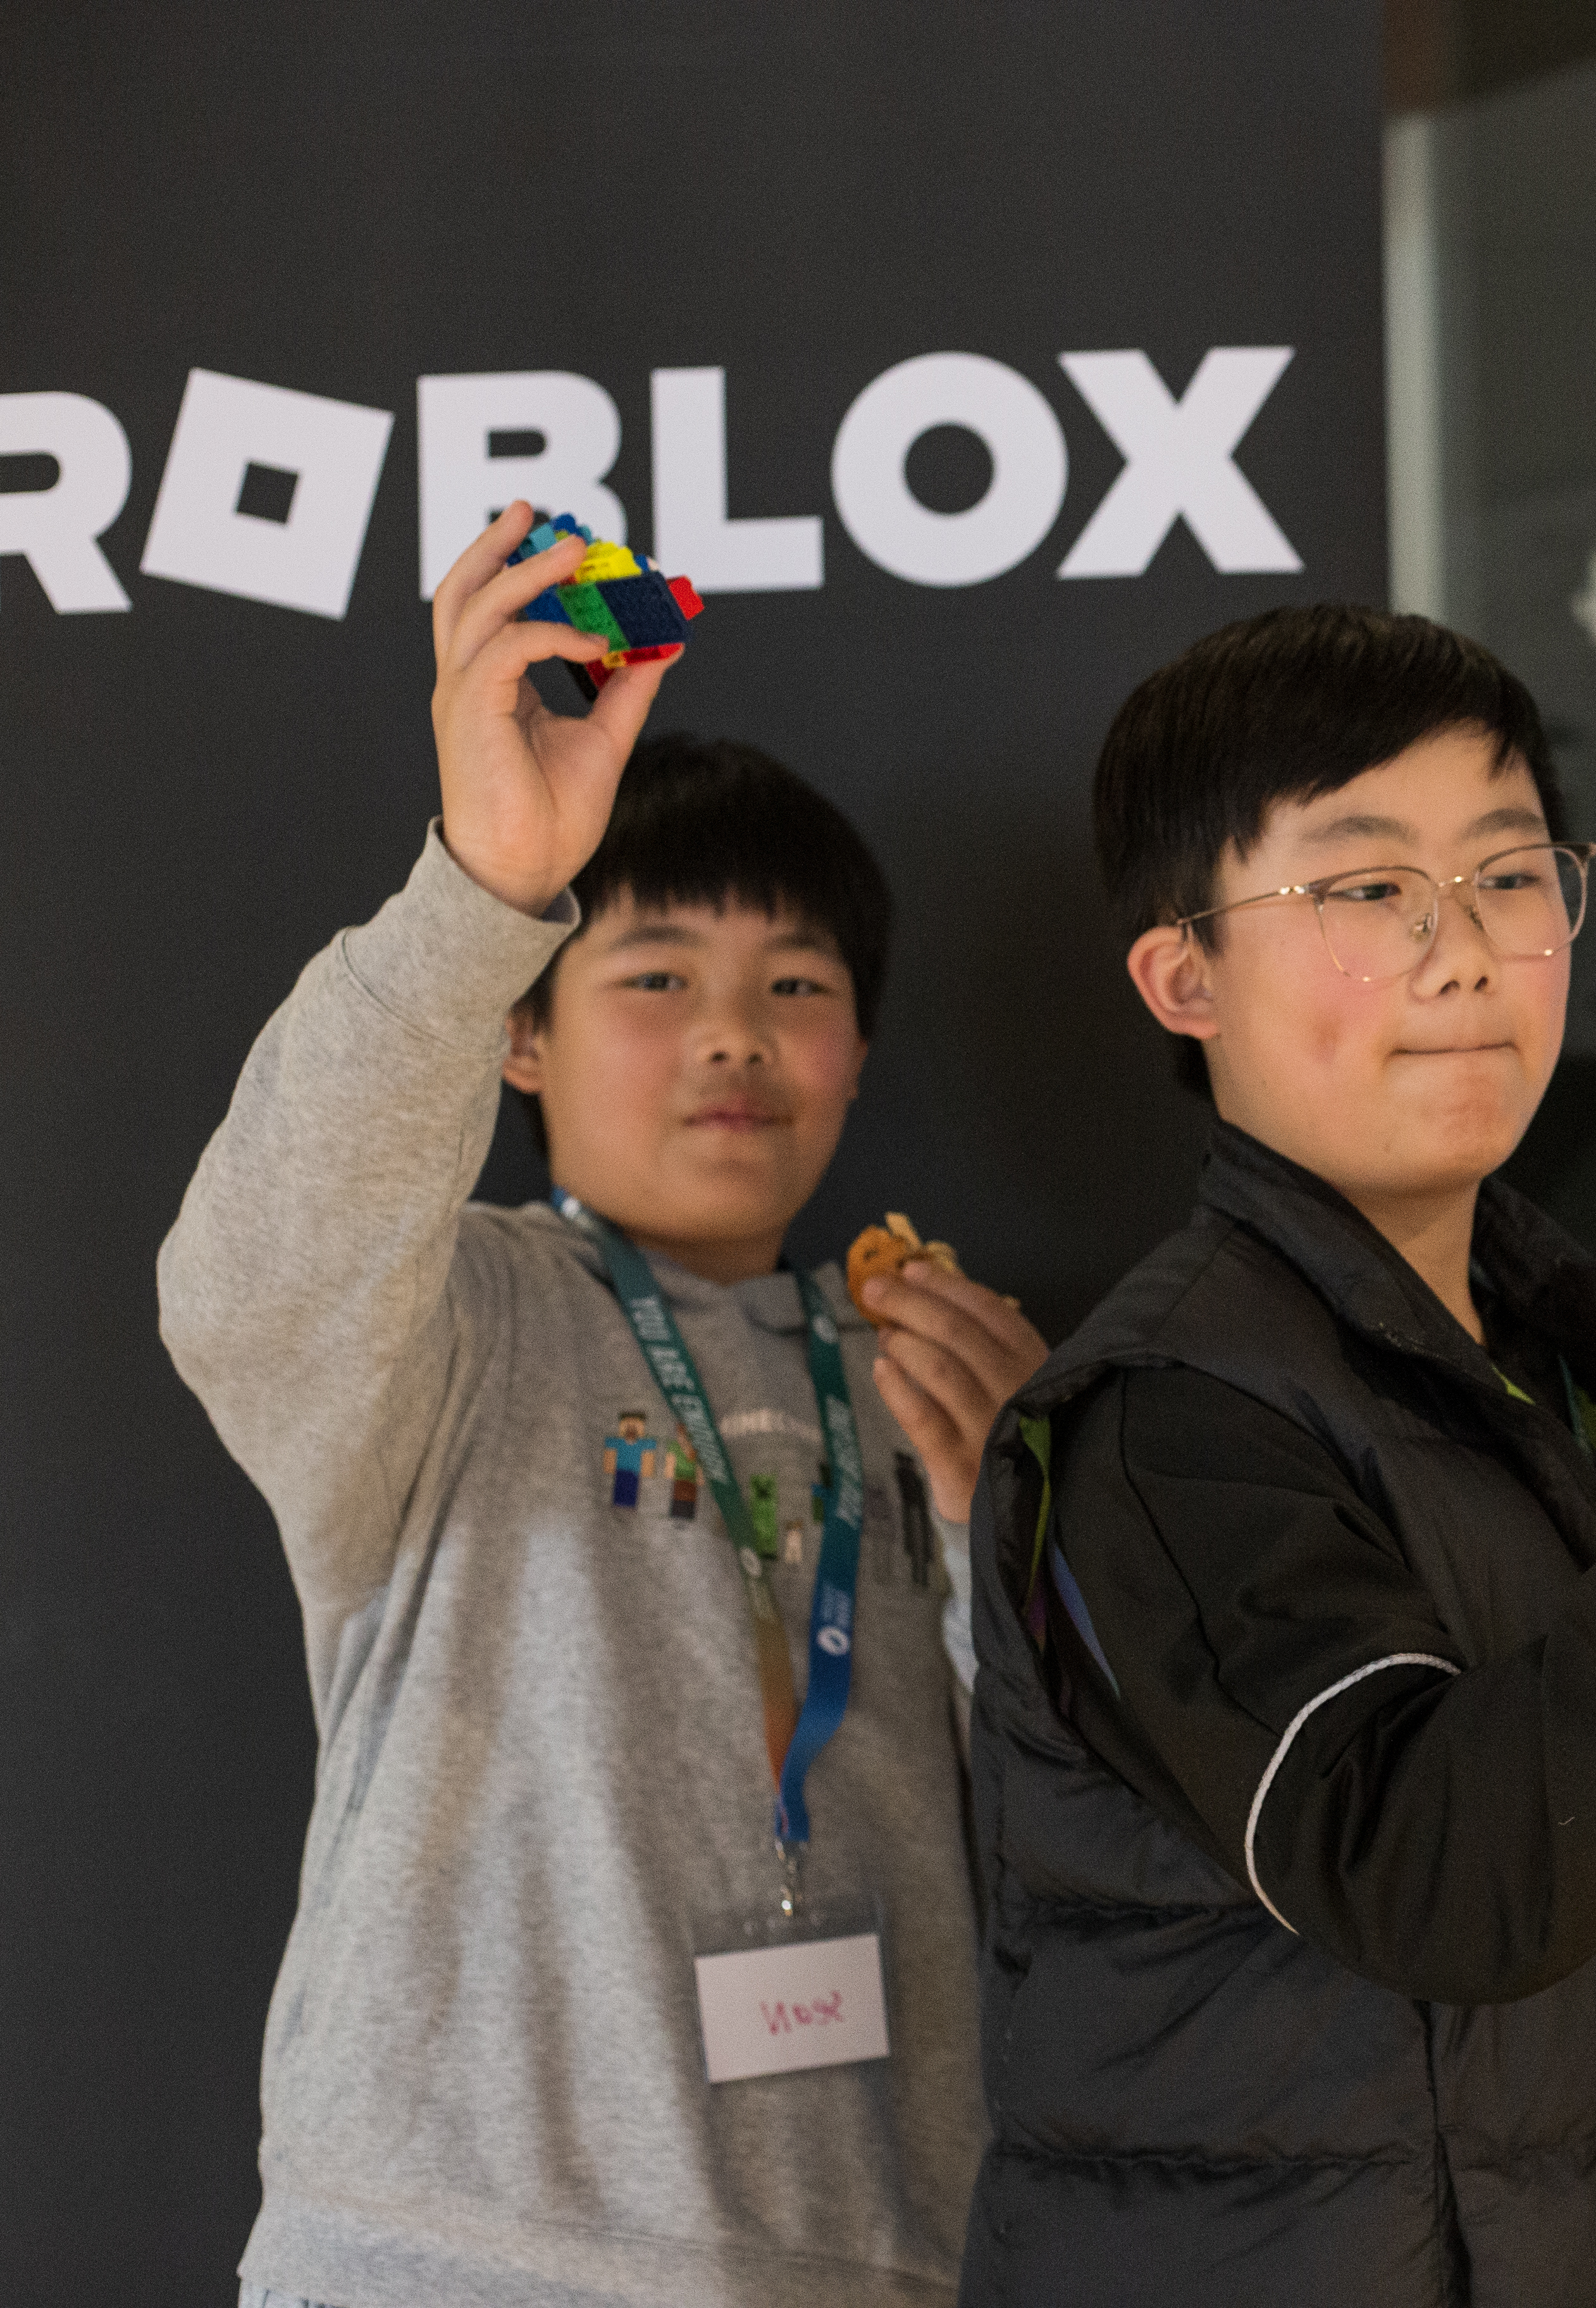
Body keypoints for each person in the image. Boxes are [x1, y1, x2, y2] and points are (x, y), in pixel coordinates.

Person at [960, 604, 1596, 2307]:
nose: (1464, 952)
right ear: (1184, 975)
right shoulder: (1157, 1424)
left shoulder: (1556, 1351)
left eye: (1507, 876)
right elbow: (1445, 1876)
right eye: (1364, 890)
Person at [159, 501, 1048, 2308]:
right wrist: (481, 896)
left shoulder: (948, 1363)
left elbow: (1082, 1836)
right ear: (522, 1036)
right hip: (444, 2260)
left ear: (859, 1054)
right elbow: (252, 1280)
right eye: (655, 979)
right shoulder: (458, 1320)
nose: (735, 1035)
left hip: (882, 2257)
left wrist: (1016, 1520)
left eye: (794, 987)